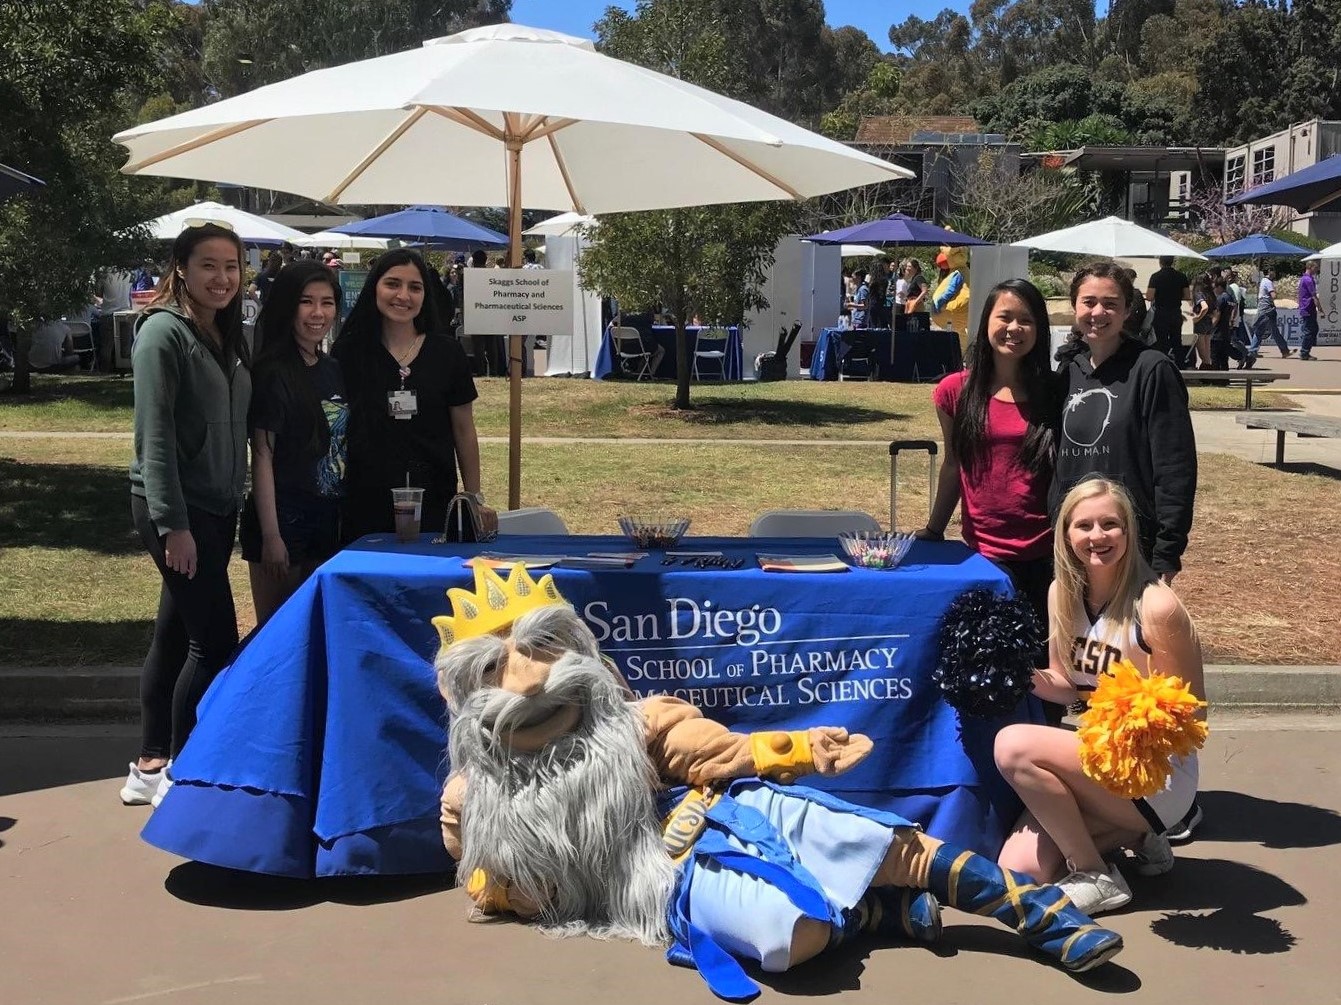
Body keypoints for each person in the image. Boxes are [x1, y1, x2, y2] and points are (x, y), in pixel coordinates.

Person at [434, 565, 1124, 1000]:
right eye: (496, 668)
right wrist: (505, 881)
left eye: (540, 649)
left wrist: (795, 748)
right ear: (468, 693)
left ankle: (1032, 910)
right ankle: (875, 912)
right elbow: (491, 879)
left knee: (865, 836)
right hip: (666, 881)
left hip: (714, 811)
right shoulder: (474, 799)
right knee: (789, 938)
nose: (528, 680)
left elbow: (715, 750)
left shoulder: (633, 720)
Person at [993, 477, 1204, 915]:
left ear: (1128, 531)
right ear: (1066, 535)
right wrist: (1010, 672)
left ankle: (1096, 874)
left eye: (1110, 524)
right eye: (1083, 525)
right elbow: (1065, 682)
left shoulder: (1157, 607)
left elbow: (1193, 713)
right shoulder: (1061, 593)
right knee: (1021, 872)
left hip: (1156, 777)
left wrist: (1132, 727)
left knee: (1013, 745)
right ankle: (1141, 839)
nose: (1097, 537)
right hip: (1098, 762)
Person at [123, 223, 251, 808]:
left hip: (217, 506)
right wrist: (173, 524)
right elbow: (155, 438)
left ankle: (148, 766)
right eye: (209, 266)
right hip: (178, 509)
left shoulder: (224, 333)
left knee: (175, 633)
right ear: (181, 268)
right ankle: (183, 764)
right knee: (215, 639)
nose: (222, 278)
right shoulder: (162, 336)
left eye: (232, 266)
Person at [918, 279, 1057, 651]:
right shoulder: (954, 391)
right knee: (987, 665)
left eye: (1026, 320)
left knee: (1043, 668)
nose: (1014, 329)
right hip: (982, 554)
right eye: (1005, 317)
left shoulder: (1057, 392)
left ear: (1039, 329)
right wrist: (933, 530)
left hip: (1048, 555)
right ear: (986, 323)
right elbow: (954, 464)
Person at [332, 249, 497, 543]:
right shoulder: (348, 353)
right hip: (365, 500)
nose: (403, 296)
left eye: (415, 287)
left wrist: (473, 496)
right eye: (392, 284)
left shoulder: (447, 353)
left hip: (434, 499)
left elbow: (464, 429)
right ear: (375, 288)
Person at [1052, 262, 1196, 585]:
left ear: (1127, 309)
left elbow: (1175, 468)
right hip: (1073, 542)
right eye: (1089, 302)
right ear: (1074, 306)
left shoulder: (1153, 370)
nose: (1098, 312)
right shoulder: (1067, 373)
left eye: (1111, 304)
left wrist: (1167, 551)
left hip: (1131, 545)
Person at [239, 261, 349, 628]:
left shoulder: (332, 368)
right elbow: (263, 456)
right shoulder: (271, 372)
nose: (318, 313)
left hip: (326, 522)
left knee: (314, 632)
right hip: (283, 524)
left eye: (327, 302)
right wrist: (272, 536)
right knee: (276, 637)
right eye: (307, 302)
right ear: (288, 305)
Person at [1145, 256, 1190, 364]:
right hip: (1175, 312)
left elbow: (1149, 297)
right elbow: (1187, 295)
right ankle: (1180, 366)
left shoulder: (1156, 277)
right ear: (1172, 262)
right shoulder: (1181, 276)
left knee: (1161, 342)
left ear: (1160, 262)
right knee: (1176, 340)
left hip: (1161, 312)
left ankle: (1162, 365)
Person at [1209, 277, 1250, 370]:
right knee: (1224, 358)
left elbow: (1217, 315)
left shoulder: (1220, 299)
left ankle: (1216, 379)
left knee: (1215, 357)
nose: (1213, 289)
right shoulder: (1229, 297)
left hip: (1216, 333)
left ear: (1219, 287)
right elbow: (1234, 308)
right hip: (1225, 332)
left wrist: (1209, 328)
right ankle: (1225, 379)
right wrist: (1231, 320)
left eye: (1214, 287)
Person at [1250, 266, 1291, 359]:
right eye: (1273, 271)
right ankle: (1284, 350)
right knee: (1271, 331)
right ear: (1269, 271)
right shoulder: (1268, 282)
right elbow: (1273, 295)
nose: (1275, 274)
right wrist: (1277, 292)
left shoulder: (1263, 281)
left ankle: (1253, 350)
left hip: (1263, 308)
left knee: (1262, 330)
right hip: (1267, 309)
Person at [1299, 260, 1320, 360]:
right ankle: (1304, 352)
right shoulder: (1308, 280)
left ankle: (1305, 350)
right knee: (1309, 330)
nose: (1317, 270)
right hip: (1308, 308)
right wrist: (1320, 308)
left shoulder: (1305, 278)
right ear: (1310, 267)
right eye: (1315, 268)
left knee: (1313, 329)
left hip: (1306, 307)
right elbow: (1314, 295)